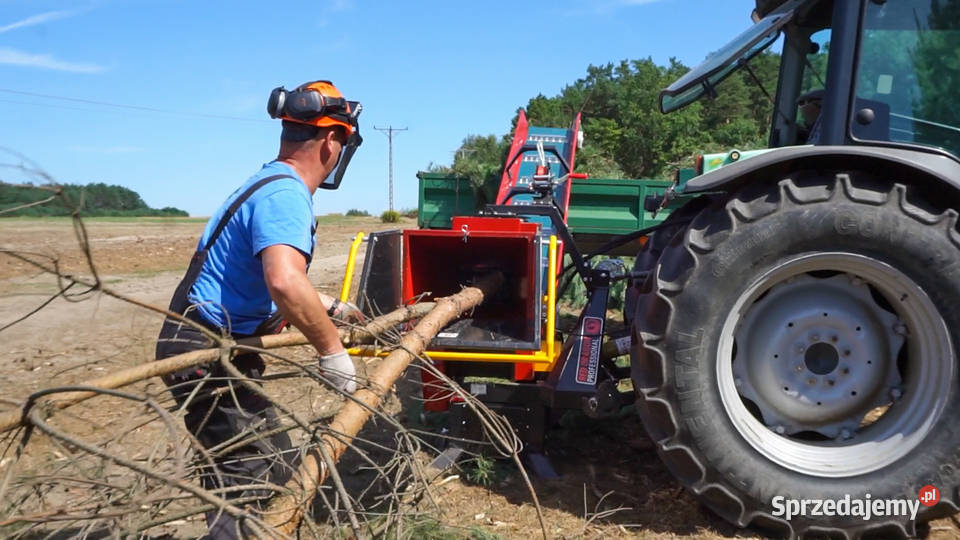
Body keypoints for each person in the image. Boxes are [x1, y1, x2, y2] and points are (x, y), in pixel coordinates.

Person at [155, 80, 364, 539]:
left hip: (217, 344)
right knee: (245, 476)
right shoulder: (285, 194)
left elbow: (277, 278)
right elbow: (285, 280)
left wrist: (335, 307)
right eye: (344, 141)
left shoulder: (268, 182)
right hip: (206, 350)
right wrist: (332, 352)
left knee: (274, 462)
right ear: (332, 140)